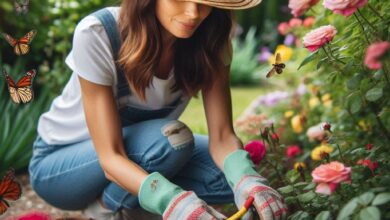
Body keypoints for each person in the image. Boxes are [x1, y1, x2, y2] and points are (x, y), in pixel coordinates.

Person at [28, 0, 288, 219]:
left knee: (227, 180)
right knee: (172, 139)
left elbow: (222, 138)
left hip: (142, 150)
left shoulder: (211, 44)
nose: (193, 13)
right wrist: (173, 201)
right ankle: (106, 208)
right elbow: (110, 157)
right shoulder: (98, 33)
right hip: (61, 168)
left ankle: (139, 202)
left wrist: (247, 181)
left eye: (205, 3)